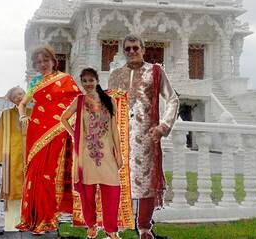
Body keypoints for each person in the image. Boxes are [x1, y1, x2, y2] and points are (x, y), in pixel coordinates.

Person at [108, 35, 179, 239]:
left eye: (135, 48)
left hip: (146, 134)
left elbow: (172, 99)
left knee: (146, 180)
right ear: (123, 51)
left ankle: (144, 227)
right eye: (128, 49)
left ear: (143, 49)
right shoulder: (116, 74)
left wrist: (163, 126)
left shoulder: (154, 71)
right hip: (119, 134)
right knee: (117, 178)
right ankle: (118, 224)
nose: (132, 52)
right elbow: (108, 105)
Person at [15, 45, 80, 234]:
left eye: (46, 60)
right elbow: (23, 104)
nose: (42, 64)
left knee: (48, 173)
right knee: (33, 173)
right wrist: (22, 116)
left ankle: (46, 219)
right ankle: (30, 218)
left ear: (53, 61)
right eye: (38, 62)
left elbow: (78, 102)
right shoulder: (35, 82)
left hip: (56, 129)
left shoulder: (65, 79)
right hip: (36, 129)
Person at [60, 67, 123, 239]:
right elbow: (63, 118)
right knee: (88, 192)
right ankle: (91, 225)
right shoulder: (80, 100)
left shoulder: (109, 101)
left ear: (97, 80)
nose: (88, 84)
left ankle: (111, 228)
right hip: (86, 154)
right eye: (85, 81)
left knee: (112, 189)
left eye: (91, 80)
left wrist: (119, 153)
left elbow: (114, 129)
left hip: (107, 153)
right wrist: (74, 135)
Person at [0, 86, 30, 231]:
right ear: (12, 100)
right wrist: (0, 158)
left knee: (32, 190)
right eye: (15, 96)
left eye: (21, 94)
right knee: (13, 192)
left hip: (31, 158)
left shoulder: (35, 112)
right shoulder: (6, 114)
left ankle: (31, 222)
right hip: (12, 158)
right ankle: (12, 225)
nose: (19, 97)